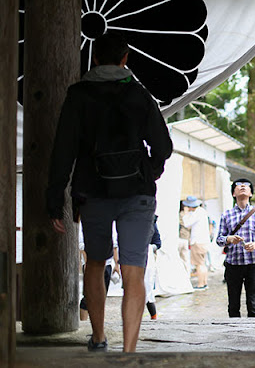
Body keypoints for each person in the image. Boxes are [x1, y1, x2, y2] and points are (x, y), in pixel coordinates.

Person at [46, 32, 173, 352]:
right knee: (134, 269)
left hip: (94, 191)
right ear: (125, 58)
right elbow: (163, 146)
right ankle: (129, 351)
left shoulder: (78, 95)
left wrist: (54, 199)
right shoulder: (140, 94)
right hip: (137, 193)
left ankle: (99, 337)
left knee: (95, 261)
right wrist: (151, 172)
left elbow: (63, 151)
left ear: (95, 58)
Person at [216, 179, 255, 317]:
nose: (242, 187)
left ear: (251, 193)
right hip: (233, 264)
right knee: (233, 304)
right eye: (238, 186)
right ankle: (234, 333)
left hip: (253, 263)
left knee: (253, 303)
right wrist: (229, 239)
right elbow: (219, 240)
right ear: (233, 193)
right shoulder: (226, 214)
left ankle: (254, 333)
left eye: (246, 186)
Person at [183, 196, 211, 290]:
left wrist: (186, 214)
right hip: (204, 241)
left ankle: (200, 284)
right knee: (202, 263)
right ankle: (204, 282)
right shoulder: (202, 211)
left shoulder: (196, 213)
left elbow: (187, 224)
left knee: (199, 264)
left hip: (198, 241)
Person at [145, 218, 161, 319]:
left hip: (148, 259)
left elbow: (158, 242)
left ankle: (153, 316)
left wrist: (149, 248)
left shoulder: (152, 222)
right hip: (131, 258)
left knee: (147, 288)